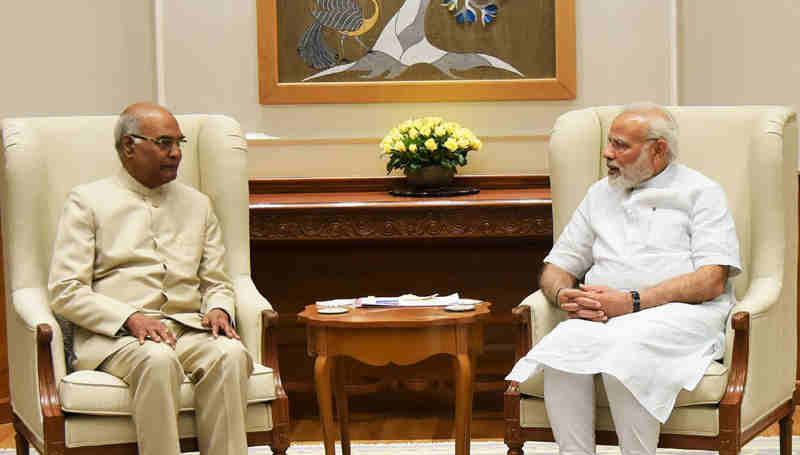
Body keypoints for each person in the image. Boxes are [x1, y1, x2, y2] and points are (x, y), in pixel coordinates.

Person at [506, 103, 742, 455]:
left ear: (658, 149)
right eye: (608, 143)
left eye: (620, 145)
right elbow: (556, 267)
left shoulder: (701, 192)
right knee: (562, 350)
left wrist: (632, 301)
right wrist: (564, 295)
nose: (607, 153)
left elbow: (711, 280)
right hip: (606, 313)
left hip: (682, 313)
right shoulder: (599, 193)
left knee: (625, 353)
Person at [48, 102, 252, 455]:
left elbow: (217, 281)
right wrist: (128, 318)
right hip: (117, 337)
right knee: (157, 360)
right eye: (163, 143)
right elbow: (65, 290)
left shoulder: (198, 205)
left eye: (178, 143)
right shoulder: (88, 201)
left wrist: (219, 309)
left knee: (230, 354)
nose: (175, 153)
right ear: (129, 146)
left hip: (187, 329)